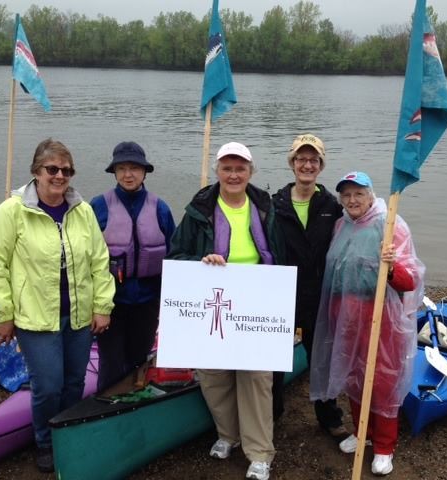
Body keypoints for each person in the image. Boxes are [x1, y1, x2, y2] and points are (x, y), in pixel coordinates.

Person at [0, 138, 115, 473]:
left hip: (78, 315)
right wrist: (3, 315)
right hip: (35, 317)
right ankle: (45, 442)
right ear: (36, 171)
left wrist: (102, 306)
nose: (59, 176)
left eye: (66, 171)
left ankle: (67, 435)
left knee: (74, 382)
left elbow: (100, 261)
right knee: (48, 386)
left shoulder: (82, 212)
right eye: (52, 169)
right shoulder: (10, 212)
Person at [167, 142, 283, 480]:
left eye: (240, 168)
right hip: (211, 301)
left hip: (256, 303)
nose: (233, 175)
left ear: (251, 172)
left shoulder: (265, 208)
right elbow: (175, 256)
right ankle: (227, 434)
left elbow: (280, 254)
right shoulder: (198, 211)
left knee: (256, 379)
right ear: (217, 171)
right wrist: (201, 260)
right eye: (227, 168)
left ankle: (259, 452)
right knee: (214, 376)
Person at [309, 171, 424, 476]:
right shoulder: (341, 225)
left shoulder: (391, 225)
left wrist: (391, 266)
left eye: (359, 193)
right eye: (346, 195)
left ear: (371, 195)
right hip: (345, 312)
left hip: (380, 313)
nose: (352, 200)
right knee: (354, 374)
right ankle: (363, 433)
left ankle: (384, 446)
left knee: (383, 379)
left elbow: (410, 280)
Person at [271, 134, 345, 436]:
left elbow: (348, 240)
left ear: (321, 165)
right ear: (292, 164)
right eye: (301, 159)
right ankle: (271, 415)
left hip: (319, 295)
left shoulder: (332, 206)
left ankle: (329, 418)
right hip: (282, 295)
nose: (307, 165)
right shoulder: (274, 205)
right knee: (273, 361)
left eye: (313, 160)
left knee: (322, 359)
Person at [90, 141, 175, 391]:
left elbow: (175, 254)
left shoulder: (160, 208)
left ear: (144, 172)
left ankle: (136, 402)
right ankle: (107, 404)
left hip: (147, 301)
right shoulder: (98, 206)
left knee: (139, 360)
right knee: (111, 364)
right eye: (122, 168)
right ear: (114, 172)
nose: (128, 175)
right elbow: (85, 257)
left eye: (134, 168)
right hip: (110, 302)